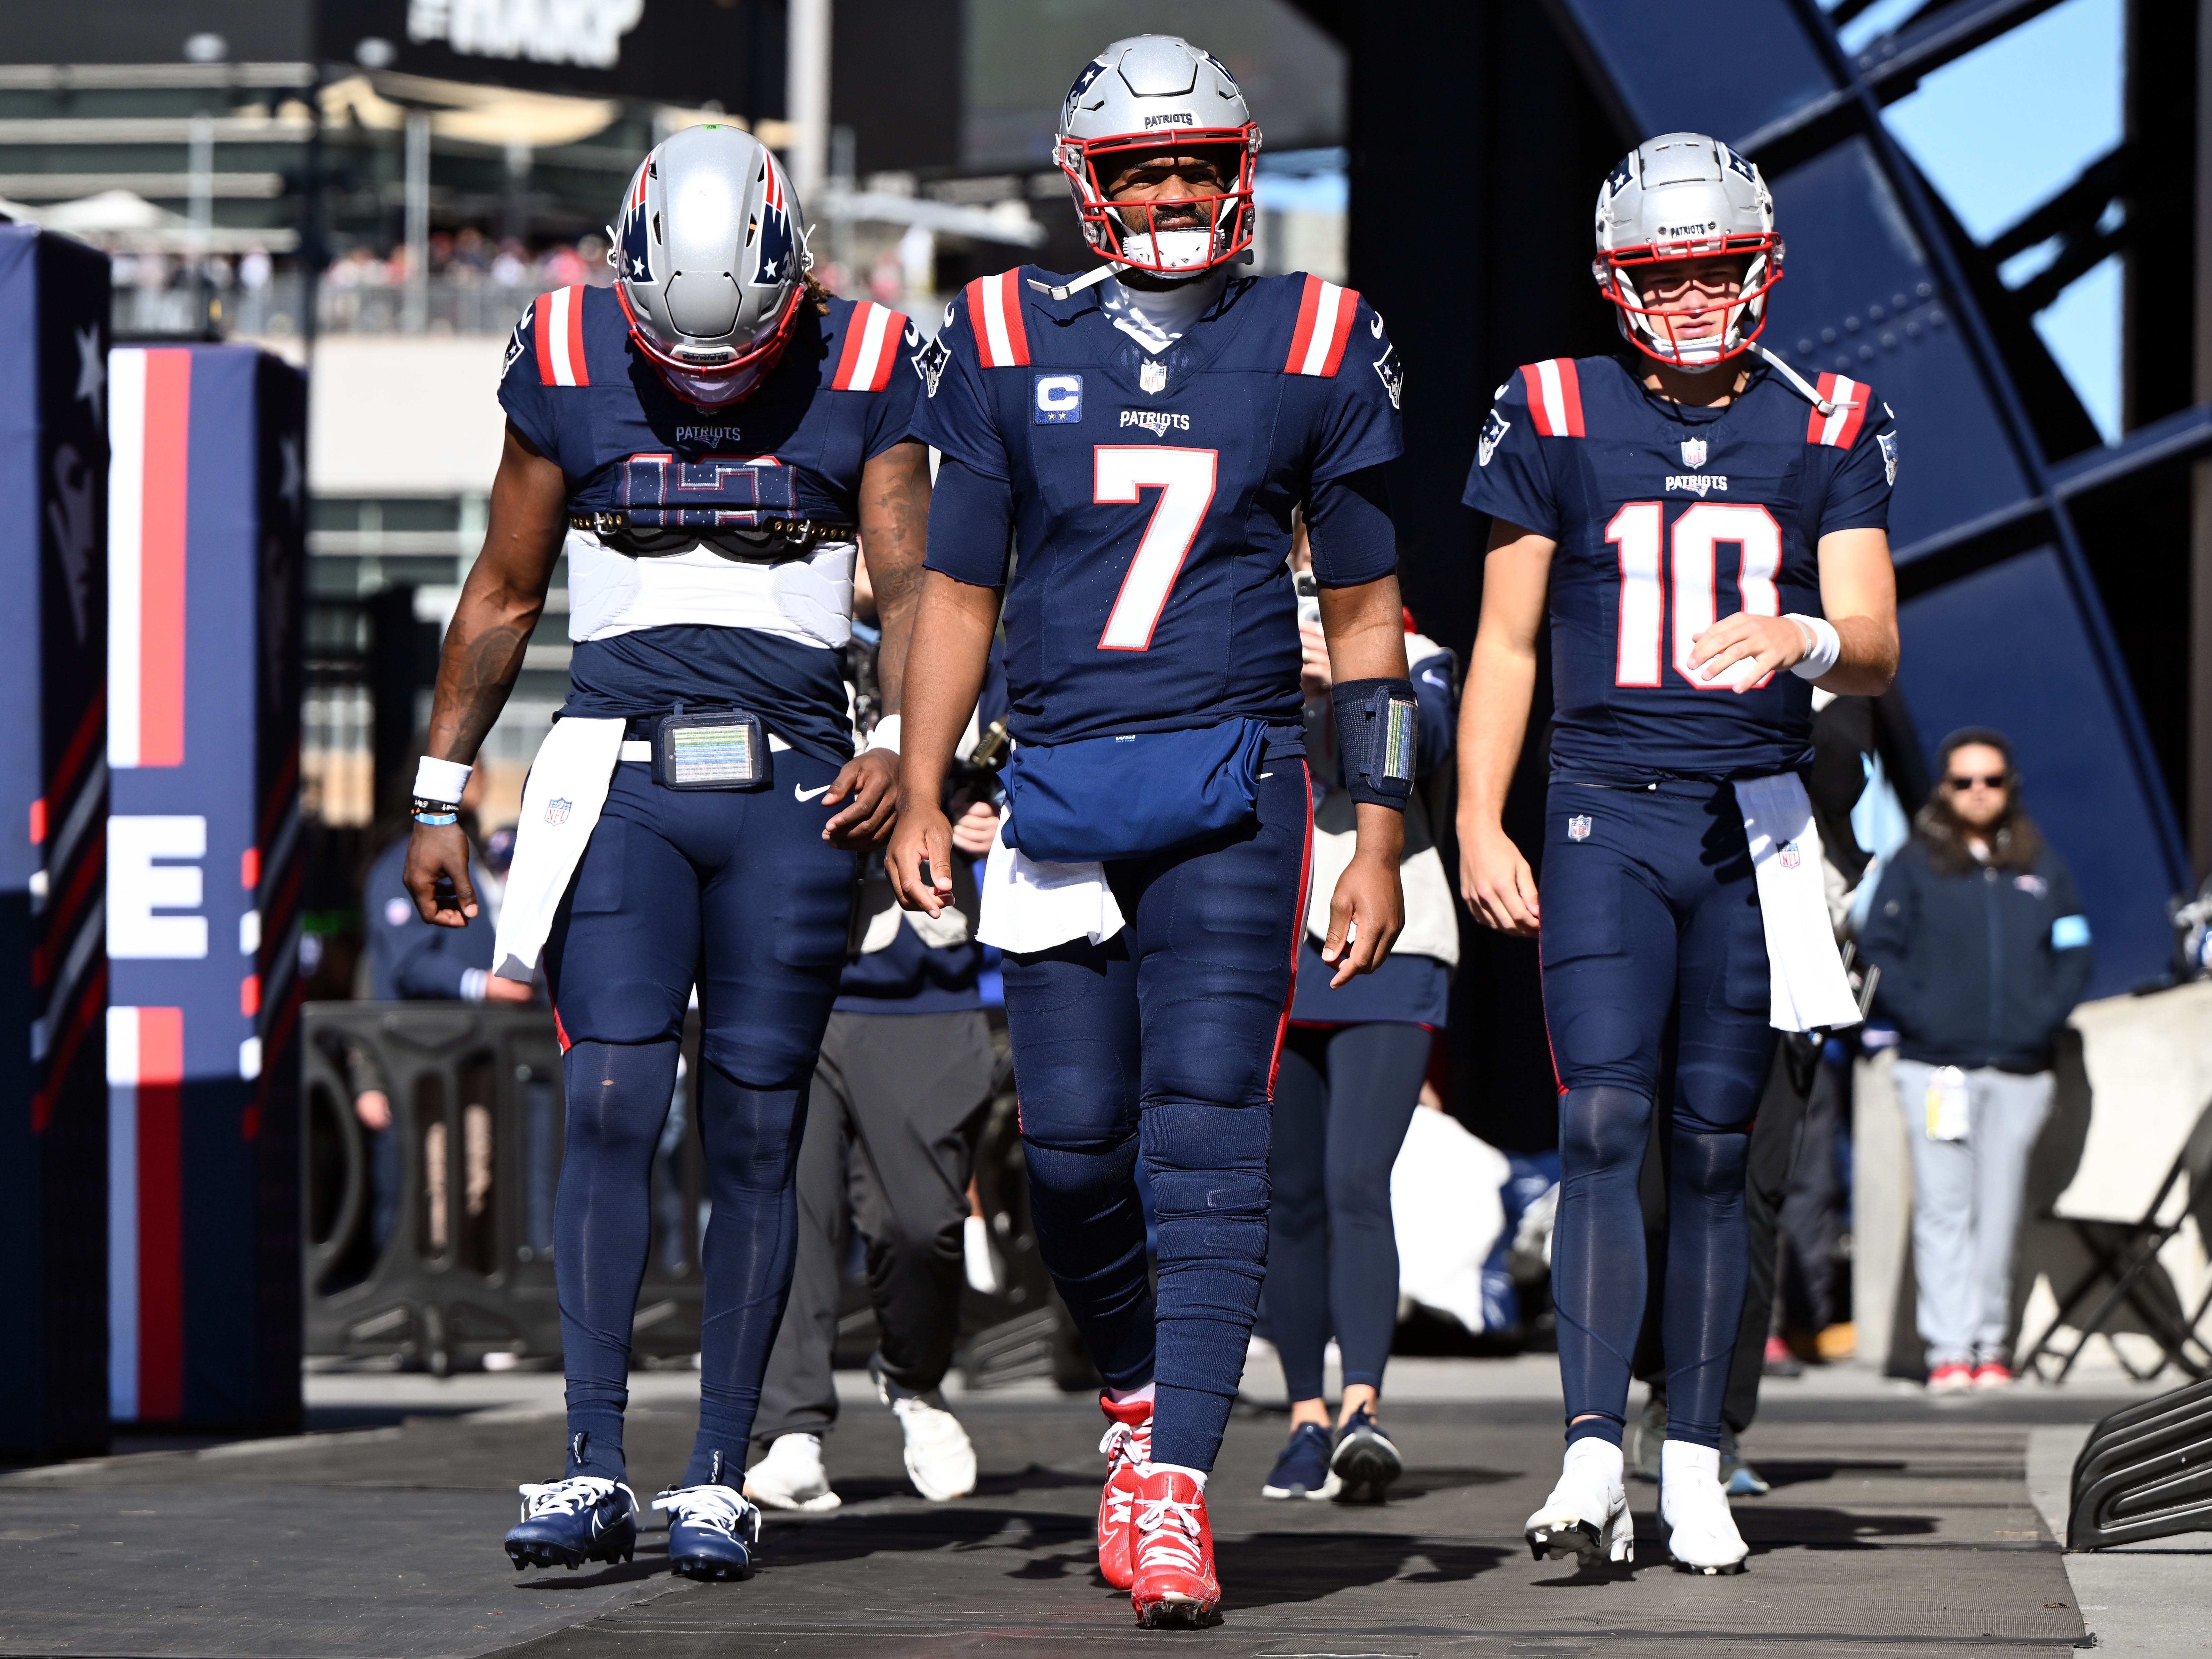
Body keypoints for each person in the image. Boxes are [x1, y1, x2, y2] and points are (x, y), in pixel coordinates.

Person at [886, 34, 1413, 1627]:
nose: (1173, 190)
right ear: (1086, 181)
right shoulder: (990, 334)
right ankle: (1136, 1396)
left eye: (1194, 164)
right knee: (1067, 1151)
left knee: (1208, 1129)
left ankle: (1176, 1480)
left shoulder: (1319, 332)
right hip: (1054, 782)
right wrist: (918, 779)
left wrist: (1375, 828)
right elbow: (956, 589)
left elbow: (1370, 608)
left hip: (1241, 771)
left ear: (1239, 173)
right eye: (1142, 168)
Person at [400, 123, 929, 1582]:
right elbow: (506, 589)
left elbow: (917, 585)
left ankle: (716, 1470)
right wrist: (439, 794)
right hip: (620, 778)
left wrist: (904, 744)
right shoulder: (565, 351)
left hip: (798, 791)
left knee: (757, 1128)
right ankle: (586, 1458)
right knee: (615, 1100)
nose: (707, 393)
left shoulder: (870, 356)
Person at [1458, 131, 1899, 1576]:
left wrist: (1804, 634)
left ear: (1760, 265)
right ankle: (1593, 1444)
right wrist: (1475, 816)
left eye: (1717, 265)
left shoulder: (1825, 418)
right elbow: (1506, 643)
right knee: (1600, 1119)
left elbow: (1877, 643)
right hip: (1602, 811)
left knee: (1717, 1151)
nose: (1698, 293)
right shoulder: (1550, 409)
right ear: (1616, 276)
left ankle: (1695, 1458)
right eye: (1668, 268)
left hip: (1750, 816)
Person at [744, 557, 1008, 1513]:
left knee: (921, 1226)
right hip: (788, 974)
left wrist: (991, 816)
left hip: (924, 980)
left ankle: (914, 1379)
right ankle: (791, 1428)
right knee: (788, 1214)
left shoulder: (972, 639)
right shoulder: (776, 637)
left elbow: (1025, 770)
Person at [1259, 527, 1458, 1504]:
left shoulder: (1417, 654)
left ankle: (1362, 1408)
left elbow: (1418, 754)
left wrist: (1346, 678)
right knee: (1288, 1191)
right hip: (1269, 934)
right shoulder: (1236, 639)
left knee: (1353, 1178)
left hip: (1392, 932)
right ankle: (1302, 1412)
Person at [1856, 727, 2091, 1391]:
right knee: (1942, 1206)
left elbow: (2073, 946)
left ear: (2008, 786)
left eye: (1989, 780)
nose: (1977, 792)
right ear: (1942, 788)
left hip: (2019, 1069)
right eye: (1963, 781)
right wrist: (1926, 1019)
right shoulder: (1912, 862)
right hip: (1936, 1069)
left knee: (2000, 1209)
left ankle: (1991, 1344)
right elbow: (1879, 949)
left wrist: (2038, 1018)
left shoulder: (2040, 863)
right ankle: (1947, 1350)